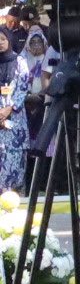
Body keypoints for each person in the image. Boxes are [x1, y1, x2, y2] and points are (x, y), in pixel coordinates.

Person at [0, 32, 28, 191]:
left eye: (3, 39)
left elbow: (23, 87)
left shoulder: (19, 61)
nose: (0, 43)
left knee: (14, 158)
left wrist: (8, 109)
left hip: (14, 116)